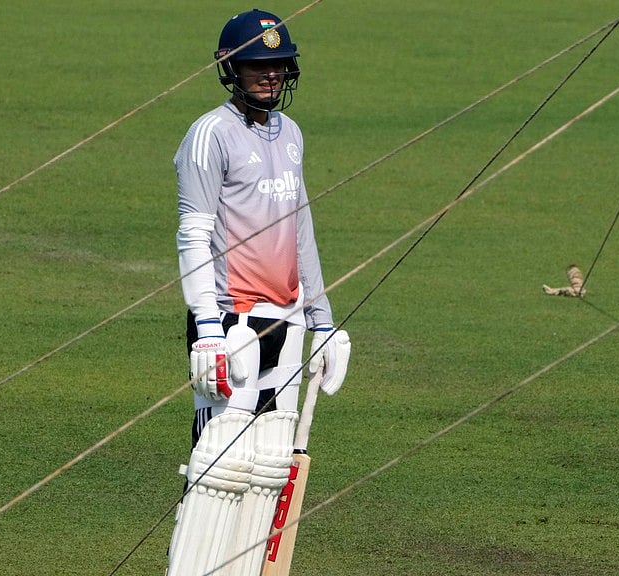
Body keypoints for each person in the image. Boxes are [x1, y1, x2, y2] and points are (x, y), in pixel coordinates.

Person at [166, 9, 350, 575]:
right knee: (218, 468)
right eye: (258, 67)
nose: (271, 76)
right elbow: (193, 231)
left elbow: (301, 227)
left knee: (270, 464)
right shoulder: (209, 134)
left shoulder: (289, 133)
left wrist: (323, 321)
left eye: (279, 65)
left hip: (288, 321)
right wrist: (206, 330)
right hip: (232, 323)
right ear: (230, 68)